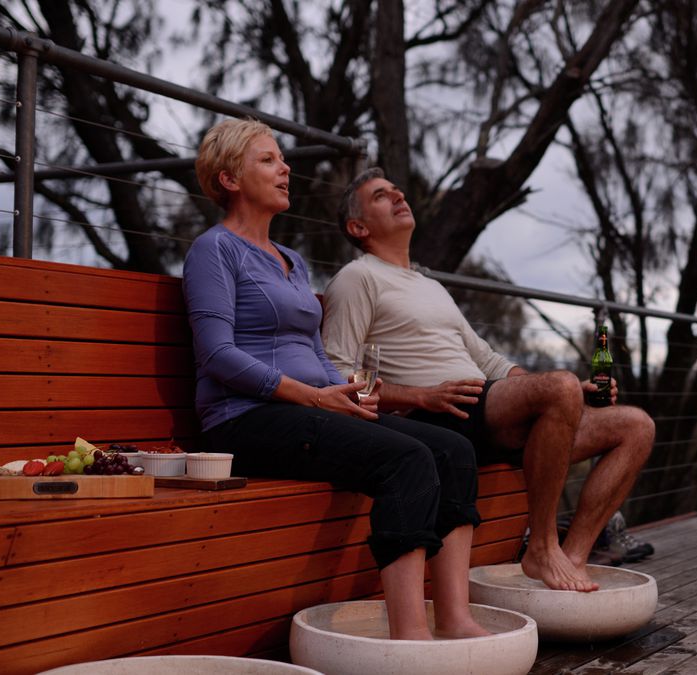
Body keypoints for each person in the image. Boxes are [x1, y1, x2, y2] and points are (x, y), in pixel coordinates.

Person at [184, 121, 486, 640]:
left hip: (308, 409)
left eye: (282, 160)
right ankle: (409, 639)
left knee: (451, 449)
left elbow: (316, 352)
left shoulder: (292, 262)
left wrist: (357, 400)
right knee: (406, 458)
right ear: (230, 178)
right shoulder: (214, 250)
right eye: (268, 160)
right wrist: (314, 397)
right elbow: (217, 354)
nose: (285, 169)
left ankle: (455, 618)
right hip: (246, 419)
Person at [322, 168, 656, 593]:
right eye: (381, 195)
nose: (398, 195)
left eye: (397, 190)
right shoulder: (358, 278)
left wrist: (569, 396)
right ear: (358, 226)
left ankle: (574, 556)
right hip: (442, 418)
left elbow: (491, 361)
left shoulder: (429, 285)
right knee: (561, 386)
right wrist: (419, 397)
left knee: (636, 426)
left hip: (487, 406)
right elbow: (337, 371)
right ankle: (541, 545)